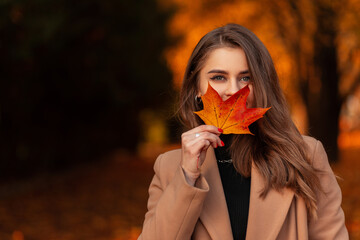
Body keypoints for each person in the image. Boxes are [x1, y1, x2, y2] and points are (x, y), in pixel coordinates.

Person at [138, 24, 348, 240]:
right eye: (218, 77)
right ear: (196, 89)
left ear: (263, 85)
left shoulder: (305, 155)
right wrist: (188, 177)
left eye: (246, 78)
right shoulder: (170, 168)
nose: (234, 90)